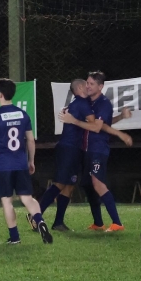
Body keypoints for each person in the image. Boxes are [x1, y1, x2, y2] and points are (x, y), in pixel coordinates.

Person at [0, 79, 52, 245]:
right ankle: (39, 221)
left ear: (0, 94)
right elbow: (30, 140)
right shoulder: (23, 114)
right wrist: (31, 160)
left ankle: (15, 237)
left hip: (4, 165)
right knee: (27, 198)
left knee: (7, 201)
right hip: (20, 163)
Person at [60, 71, 133, 232]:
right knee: (87, 184)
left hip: (98, 149)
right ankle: (98, 223)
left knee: (97, 183)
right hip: (86, 149)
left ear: (100, 87)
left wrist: (74, 120)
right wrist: (121, 117)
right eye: (87, 83)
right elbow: (105, 122)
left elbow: (97, 127)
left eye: (91, 84)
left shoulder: (104, 103)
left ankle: (117, 223)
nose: (87, 86)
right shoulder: (88, 102)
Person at [37, 79, 91, 231]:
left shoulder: (78, 103)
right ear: (80, 87)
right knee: (60, 183)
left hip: (74, 148)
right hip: (69, 148)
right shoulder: (81, 103)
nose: (88, 87)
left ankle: (58, 222)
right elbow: (94, 123)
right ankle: (35, 215)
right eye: (86, 85)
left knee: (70, 185)